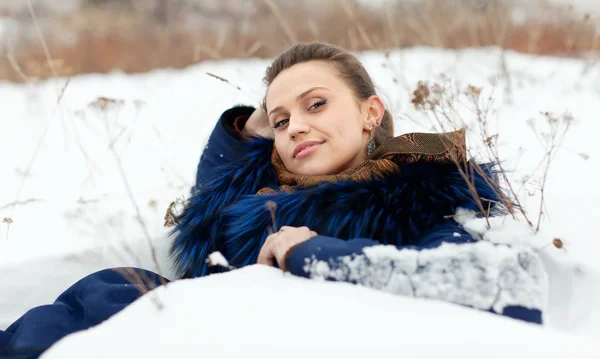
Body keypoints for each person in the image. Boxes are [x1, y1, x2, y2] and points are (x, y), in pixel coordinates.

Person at [1, 42, 548, 359]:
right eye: (282, 121)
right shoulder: (262, 187)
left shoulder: (425, 189)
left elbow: (499, 284)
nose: (296, 127)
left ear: (371, 112)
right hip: (191, 327)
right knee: (114, 288)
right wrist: (266, 117)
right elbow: (213, 187)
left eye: (317, 104)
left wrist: (310, 253)